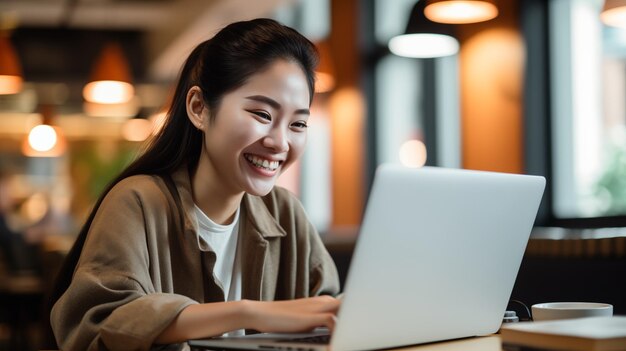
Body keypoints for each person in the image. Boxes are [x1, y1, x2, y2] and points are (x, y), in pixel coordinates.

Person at [49, 18, 341, 351]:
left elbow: (330, 314)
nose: (280, 142)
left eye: (298, 123)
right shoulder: (138, 202)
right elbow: (98, 324)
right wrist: (248, 313)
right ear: (199, 108)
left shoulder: (286, 213)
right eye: (262, 114)